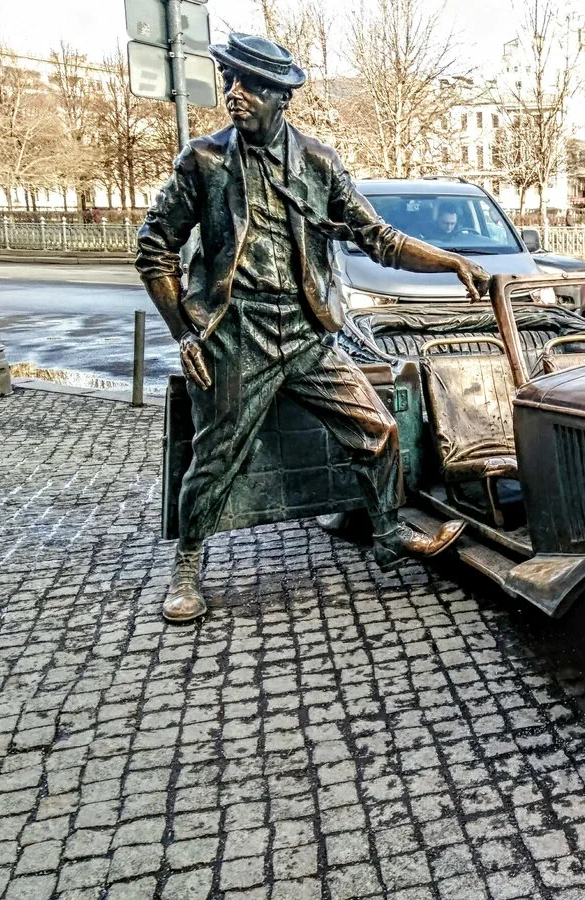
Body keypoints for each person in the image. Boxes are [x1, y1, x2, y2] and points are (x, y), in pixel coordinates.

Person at [136, 33, 487, 623]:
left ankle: (387, 531)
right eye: (230, 82)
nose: (235, 95)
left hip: (303, 332)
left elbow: (381, 239)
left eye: (250, 85)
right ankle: (188, 564)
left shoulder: (319, 165)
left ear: (281, 97)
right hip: (235, 331)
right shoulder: (204, 161)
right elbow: (154, 249)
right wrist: (186, 332)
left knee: (376, 428)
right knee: (216, 455)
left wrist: (450, 261)